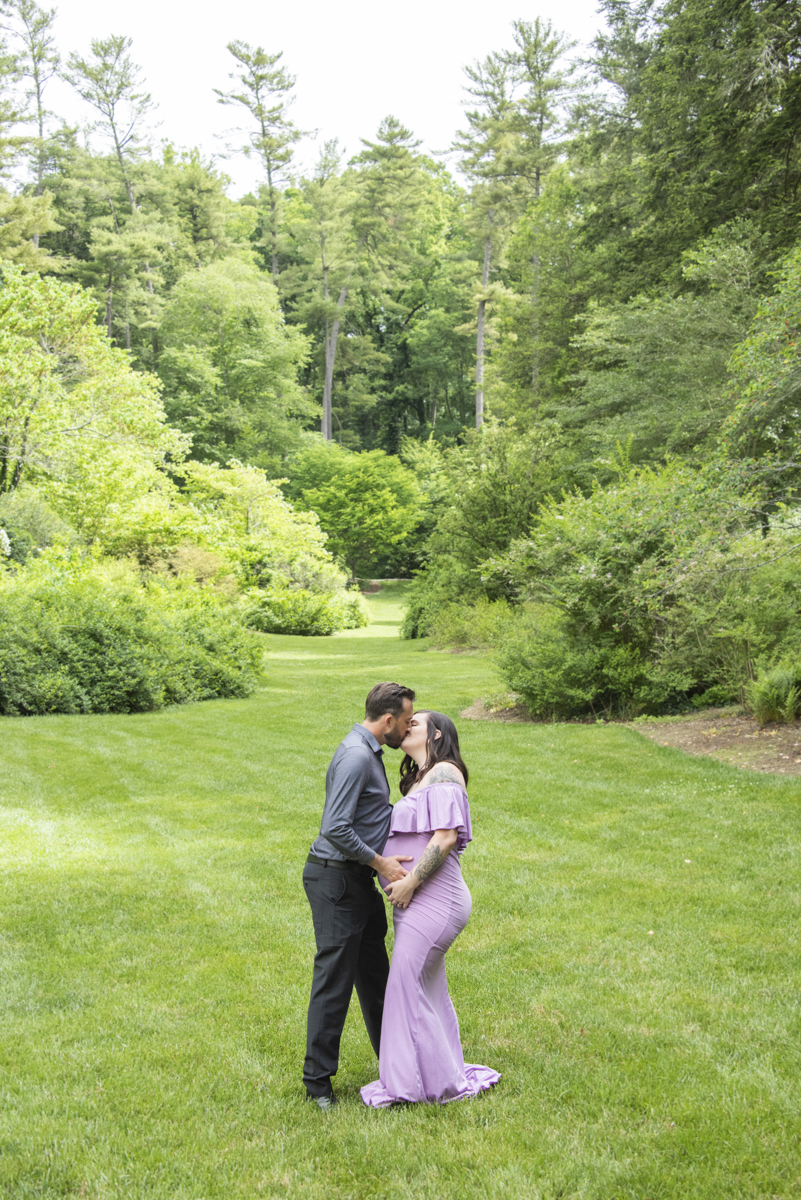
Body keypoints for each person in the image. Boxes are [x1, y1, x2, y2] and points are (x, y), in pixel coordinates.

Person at [361, 710, 500, 1107]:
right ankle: (439, 1072)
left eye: (415, 724)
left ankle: (415, 1086)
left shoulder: (444, 774)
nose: (406, 727)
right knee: (426, 986)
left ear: (436, 734)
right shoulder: (423, 777)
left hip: (435, 899)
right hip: (418, 901)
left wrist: (409, 882)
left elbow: (443, 839)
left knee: (406, 983)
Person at [302, 681, 416, 1110]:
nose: (406, 731)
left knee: (375, 977)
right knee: (335, 981)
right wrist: (380, 863)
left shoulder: (367, 750)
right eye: (405, 722)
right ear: (387, 720)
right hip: (336, 879)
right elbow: (335, 826)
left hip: (355, 882)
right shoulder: (355, 756)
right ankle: (317, 1084)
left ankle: (396, 1068)